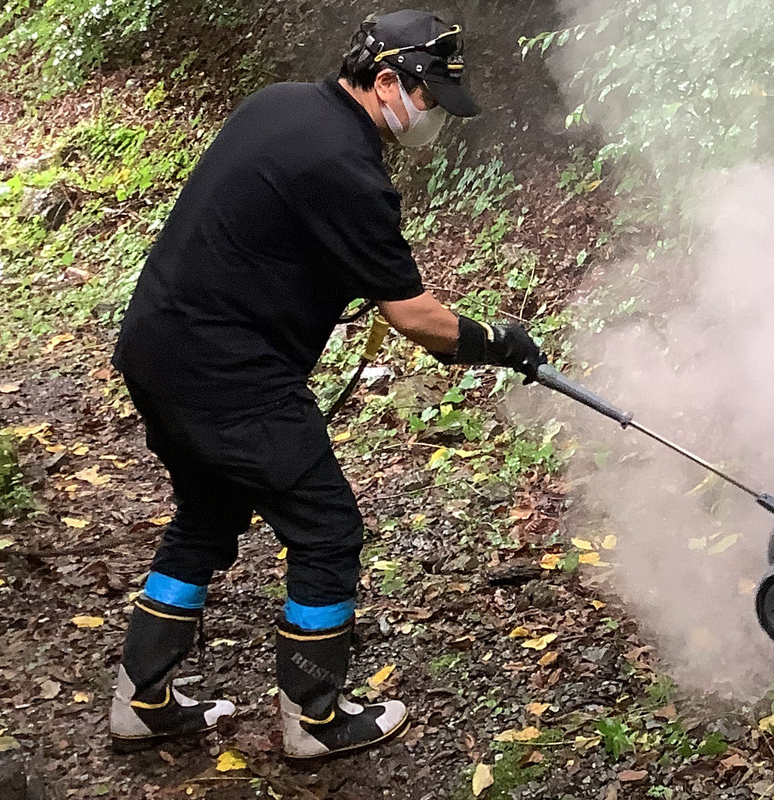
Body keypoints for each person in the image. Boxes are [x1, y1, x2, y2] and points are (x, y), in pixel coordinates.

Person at [106, 10, 544, 758]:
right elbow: (420, 321)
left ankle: (141, 702)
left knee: (208, 517)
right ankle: (315, 719)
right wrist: (497, 342)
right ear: (384, 80)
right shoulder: (344, 166)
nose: (430, 115)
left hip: (157, 348)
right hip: (230, 377)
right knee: (328, 530)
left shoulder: (279, 104)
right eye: (428, 97)